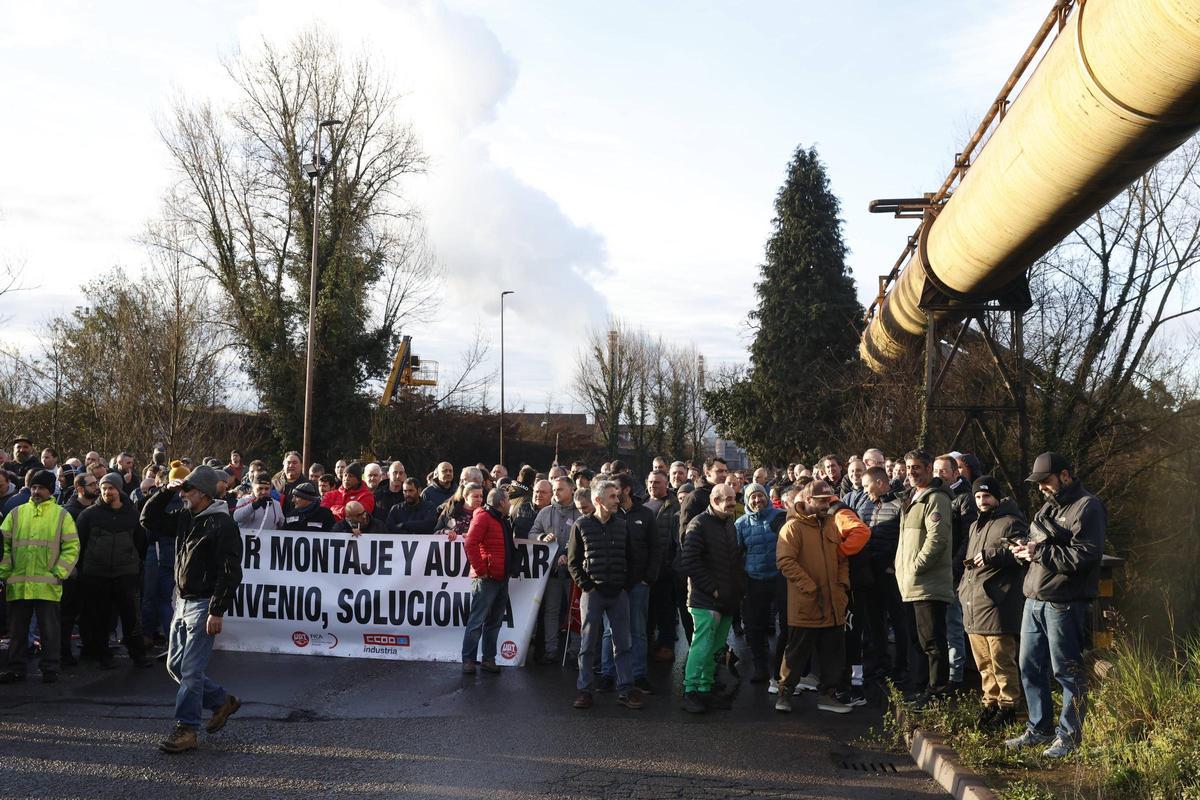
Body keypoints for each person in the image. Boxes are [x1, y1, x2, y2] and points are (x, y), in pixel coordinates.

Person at [1005, 452, 1105, 759]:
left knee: (1067, 672)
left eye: (1045, 482)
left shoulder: (1088, 507)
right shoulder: (1049, 506)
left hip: (1064, 604)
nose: (1041, 489)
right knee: (1029, 668)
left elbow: (1084, 557)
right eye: (1038, 484)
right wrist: (1024, 550)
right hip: (1033, 600)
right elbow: (1040, 544)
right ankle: (1039, 729)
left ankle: (1069, 736)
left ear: (1064, 475)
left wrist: (1039, 553)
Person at [142, 465, 243, 754]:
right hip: (183, 602)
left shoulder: (223, 525)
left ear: (204, 493)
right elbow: (149, 519)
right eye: (183, 489)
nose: (183, 494)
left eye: (188, 490)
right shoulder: (187, 516)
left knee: (190, 669)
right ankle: (221, 701)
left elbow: (230, 572)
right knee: (176, 666)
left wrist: (217, 610)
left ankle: (187, 729)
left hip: (203, 604)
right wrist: (165, 491)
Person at [774, 480, 866, 714]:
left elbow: (841, 559)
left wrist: (842, 583)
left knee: (833, 655)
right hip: (806, 604)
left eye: (829, 500)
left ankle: (827, 696)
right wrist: (809, 586)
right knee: (796, 653)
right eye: (822, 501)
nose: (827, 504)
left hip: (833, 604)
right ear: (807, 501)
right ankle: (784, 694)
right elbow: (785, 562)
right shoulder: (793, 528)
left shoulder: (831, 525)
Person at [567, 480, 644, 711]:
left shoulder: (622, 525)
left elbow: (632, 558)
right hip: (593, 593)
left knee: (623, 644)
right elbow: (573, 562)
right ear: (599, 500)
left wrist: (624, 586)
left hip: (618, 593)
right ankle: (585, 690)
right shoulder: (581, 525)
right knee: (588, 644)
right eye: (612, 496)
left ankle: (626, 689)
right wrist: (587, 586)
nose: (617, 500)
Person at [960, 476, 1027, 731]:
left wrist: (991, 555)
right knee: (984, 663)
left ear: (997, 496)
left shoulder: (1011, 522)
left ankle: (1009, 708)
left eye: (986, 496)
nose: (982, 501)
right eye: (977, 497)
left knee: (1001, 660)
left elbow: (1021, 552)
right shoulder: (975, 525)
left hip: (998, 604)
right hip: (973, 602)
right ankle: (991, 704)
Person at [0, 470, 79, 684]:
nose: (36, 491)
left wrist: (59, 573)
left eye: (41, 488)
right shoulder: (16, 513)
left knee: (49, 630)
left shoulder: (61, 515)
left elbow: (71, 547)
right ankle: (16, 667)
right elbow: (4, 545)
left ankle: (50, 667)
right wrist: (5, 573)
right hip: (19, 582)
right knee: (17, 631)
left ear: (50, 490)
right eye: (34, 487)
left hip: (47, 584)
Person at [895, 450, 954, 705]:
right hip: (909, 584)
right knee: (917, 642)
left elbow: (937, 538)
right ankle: (920, 689)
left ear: (929, 469)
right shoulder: (911, 498)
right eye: (908, 467)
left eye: (917, 467)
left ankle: (937, 693)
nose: (911, 472)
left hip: (927, 584)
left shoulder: (936, 499)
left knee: (933, 643)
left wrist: (916, 567)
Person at [679, 482, 744, 714]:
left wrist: (736, 590)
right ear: (714, 500)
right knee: (702, 646)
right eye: (727, 499)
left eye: (733, 498)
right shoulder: (698, 524)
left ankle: (705, 688)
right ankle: (691, 690)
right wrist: (713, 590)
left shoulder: (729, 524)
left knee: (715, 647)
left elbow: (734, 559)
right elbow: (689, 562)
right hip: (704, 600)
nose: (732, 503)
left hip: (727, 599)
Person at [75, 472, 151, 668]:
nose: (107, 491)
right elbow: (78, 544)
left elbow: (140, 542)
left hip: (126, 574)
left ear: (119, 489)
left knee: (131, 617)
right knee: (100, 617)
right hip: (96, 574)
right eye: (104, 488)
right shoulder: (89, 515)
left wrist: (133, 564)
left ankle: (138, 655)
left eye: (111, 488)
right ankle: (102, 655)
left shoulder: (132, 514)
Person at [599, 473, 661, 694]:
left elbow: (656, 548)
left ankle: (638, 675)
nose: (612, 496)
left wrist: (648, 578)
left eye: (615, 490)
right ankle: (607, 674)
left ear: (626, 490)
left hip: (638, 584)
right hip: (612, 582)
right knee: (609, 631)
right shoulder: (607, 516)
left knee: (638, 631)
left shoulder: (646, 514)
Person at [855, 466, 907, 687]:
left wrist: (893, 566)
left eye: (867, 486)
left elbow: (905, 540)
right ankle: (880, 664)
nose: (865, 491)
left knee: (899, 621)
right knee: (874, 622)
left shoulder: (900, 505)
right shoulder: (865, 505)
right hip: (870, 574)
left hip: (891, 574)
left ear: (879, 482)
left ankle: (902, 667)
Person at [461, 488, 518, 674]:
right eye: (508, 500)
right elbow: (470, 543)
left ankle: (488, 659)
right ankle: (469, 660)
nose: (510, 503)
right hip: (487, 579)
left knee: (493, 622)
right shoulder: (484, 517)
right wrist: (481, 570)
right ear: (501, 502)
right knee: (477, 621)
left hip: (500, 577)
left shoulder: (500, 519)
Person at [735, 482, 787, 686]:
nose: (757, 500)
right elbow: (737, 553)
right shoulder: (741, 524)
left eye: (760, 496)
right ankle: (760, 665)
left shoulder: (780, 516)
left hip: (779, 577)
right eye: (752, 497)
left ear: (766, 496)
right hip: (754, 579)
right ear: (747, 501)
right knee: (754, 626)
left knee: (785, 623)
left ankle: (784, 666)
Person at [934, 453, 977, 689]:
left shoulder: (964, 499)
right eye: (936, 471)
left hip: (952, 572)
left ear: (955, 473)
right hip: (935, 571)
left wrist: (953, 566)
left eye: (943, 471)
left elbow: (967, 538)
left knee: (953, 625)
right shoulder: (934, 496)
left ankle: (955, 677)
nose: (939, 475)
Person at [528, 476, 580, 664]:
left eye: (560, 490)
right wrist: (542, 537)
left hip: (574, 573)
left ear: (571, 490)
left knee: (575, 611)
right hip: (551, 572)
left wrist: (569, 553)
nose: (556, 493)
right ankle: (551, 649)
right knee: (551, 610)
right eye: (555, 490)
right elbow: (532, 533)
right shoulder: (545, 512)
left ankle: (575, 649)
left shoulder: (580, 512)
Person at [647, 470, 681, 663]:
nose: (653, 486)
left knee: (666, 611)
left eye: (658, 483)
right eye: (651, 482)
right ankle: (649, 643)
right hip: (647, 569)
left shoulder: (673, 505)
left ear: (666, 483)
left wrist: (671, 564)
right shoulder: (642, 503)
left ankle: (666, 645)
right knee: (648, 610)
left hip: (666, 568)